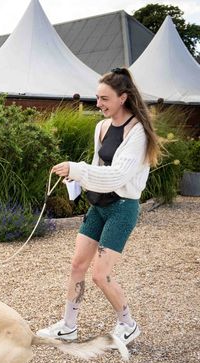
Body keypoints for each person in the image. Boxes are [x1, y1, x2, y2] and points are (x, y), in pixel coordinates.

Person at [37, 67, 161, 345]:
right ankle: (68, 326)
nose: (98, 104)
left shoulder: (137, 133)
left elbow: (118, 176)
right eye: (97, 97)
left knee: (100, 275)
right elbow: (98, 166)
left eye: (104, 98)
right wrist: (76, 179)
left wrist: (77, 169)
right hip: (99, 206)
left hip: (122, 208)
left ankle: (128, 324)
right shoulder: (101, 127)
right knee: (77, 265)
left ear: (123, 98)